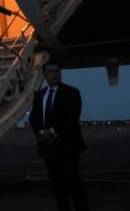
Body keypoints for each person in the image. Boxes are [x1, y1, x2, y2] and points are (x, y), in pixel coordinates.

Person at [29, 60, 89, 211]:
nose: (54, 74)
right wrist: (40, 133)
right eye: (50, 71)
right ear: (44, 75)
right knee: (58, 186)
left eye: (57, 71)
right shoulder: (39, 95)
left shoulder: (72, 92)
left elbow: (72, 117)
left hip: (68, 146)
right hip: (48, 148)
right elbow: (33, 118)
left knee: (74, 185)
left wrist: (52, 132)